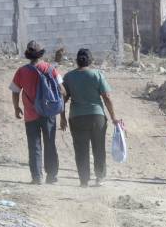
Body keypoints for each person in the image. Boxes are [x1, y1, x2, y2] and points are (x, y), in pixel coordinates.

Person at [63, 48, 121, 188]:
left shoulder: (68, 77)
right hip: (97, 117)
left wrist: (62, 117)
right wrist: (113, 117)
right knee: (98, 147)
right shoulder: (97, 75)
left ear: (77, 61)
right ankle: (100, 177)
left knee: (81, 149)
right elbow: (106, 97)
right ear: (91, 60)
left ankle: (84, 180)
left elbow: (63, 99)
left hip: (76, 118)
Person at [11, 40, 66, 184]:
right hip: (48, 114)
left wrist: (16, 107)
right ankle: (52, 176)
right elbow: (62, 90)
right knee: (50, 144)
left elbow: (15, 91)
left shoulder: (21, 71)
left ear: (28, 54)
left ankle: (36, 177)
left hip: (30, 115)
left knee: (34, 145)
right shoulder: (50, 69)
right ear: (41, 53)